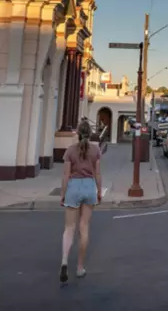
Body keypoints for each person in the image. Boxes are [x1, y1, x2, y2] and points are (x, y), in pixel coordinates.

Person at [60, 118, 102, 283]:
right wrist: (99, 191)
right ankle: (79, 267)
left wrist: (63, 194)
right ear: (90, 134)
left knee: (69, 228)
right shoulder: (96, 150)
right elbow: (98, 173)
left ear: (77, 133)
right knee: (84, 228)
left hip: (74, 186)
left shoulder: (70, 150)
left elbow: (66, 175)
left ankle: (64, 260)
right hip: (89, 187)